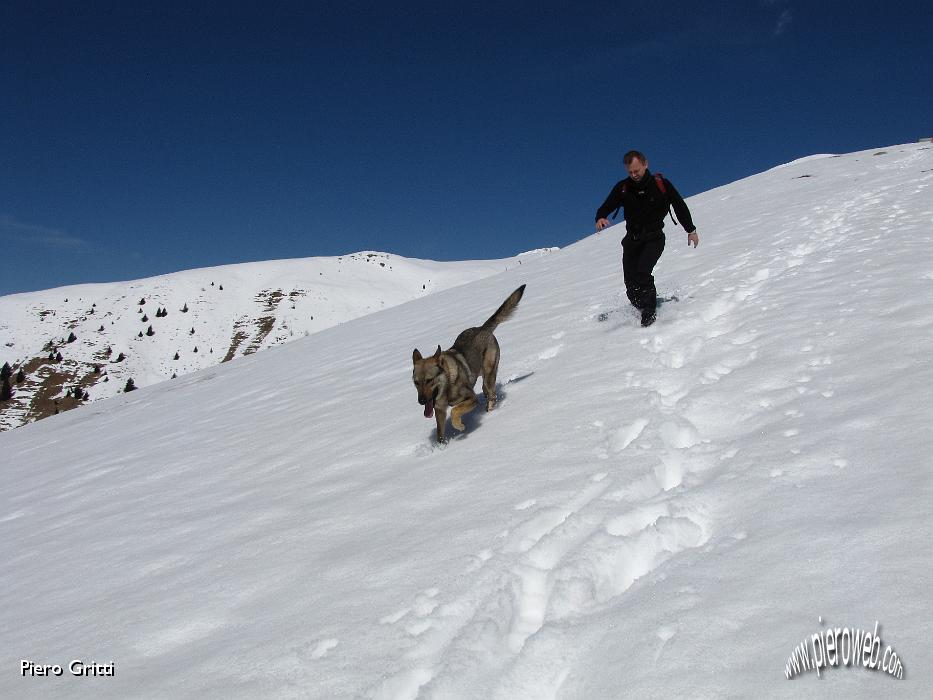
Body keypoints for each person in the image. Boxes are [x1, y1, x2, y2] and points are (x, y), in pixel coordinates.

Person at [595, 150, 699, 326]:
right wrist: (600, 217)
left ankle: (650, 311)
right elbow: (606, 206)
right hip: (632, 241)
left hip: (654, 238)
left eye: (637, 170)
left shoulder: (661, 185)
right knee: (631, 284)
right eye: (630, 172)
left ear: (645, 164)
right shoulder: (624, 188)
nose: (634, 175)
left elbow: (679, 206)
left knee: (643, 273)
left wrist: (690, 229)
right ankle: (640, 306)